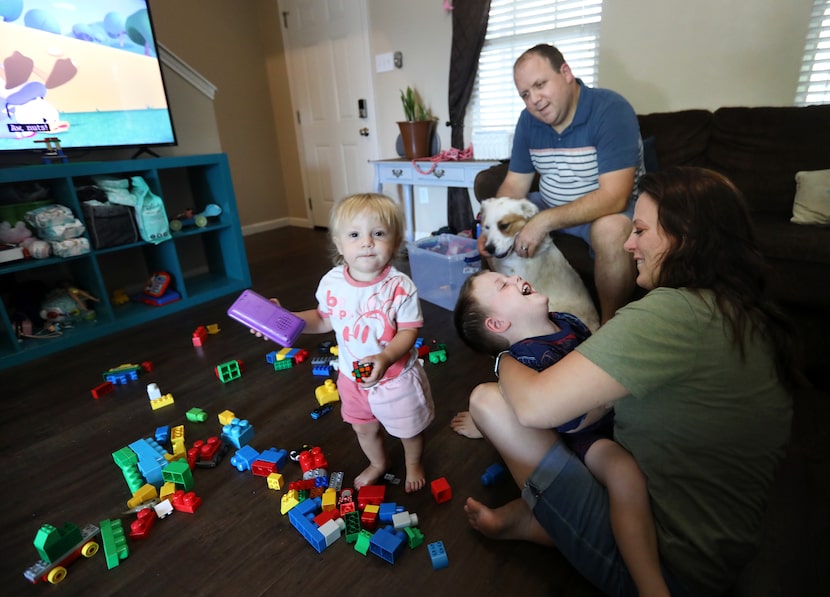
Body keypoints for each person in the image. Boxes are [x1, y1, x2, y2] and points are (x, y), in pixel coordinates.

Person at [463, 167, 797, 596]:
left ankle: (545, 523)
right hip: (717, 554)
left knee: (489, 401)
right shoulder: (741, 311)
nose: (627, 244)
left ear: (687, 236)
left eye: (639, 230)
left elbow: (533, 407)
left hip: (668, 566)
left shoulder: (671, 314)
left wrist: (503, 358)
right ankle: (534, 520)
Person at [452, 270, 669, 597]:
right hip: (586, 438)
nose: (515, 277)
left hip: (612, 421)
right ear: (497, 325)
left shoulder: (565, 321)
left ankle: (525, 521)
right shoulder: (525, 358)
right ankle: (650, 585)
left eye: (508, 276)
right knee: (624, 474)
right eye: (503, 285)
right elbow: (566, 420)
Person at [265, 193, 434, 493]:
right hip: (351, 376)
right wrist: (286, 317)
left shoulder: (400, 287)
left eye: (378, 234)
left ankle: (413, 463)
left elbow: (408, 333)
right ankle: (379, 463)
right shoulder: (332, 283)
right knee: (363, 427)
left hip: (394, 378)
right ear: (340, 246)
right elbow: (323, 319)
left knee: (408, 429)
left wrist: (384, 359)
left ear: (395, 243)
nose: (367, 242)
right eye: (355, 235)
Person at [478, 43, 644, 324]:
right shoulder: (528, 122)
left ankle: (608, 329)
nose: (535, 100)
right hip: (551, 201)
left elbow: (615, 197)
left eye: (540, 84)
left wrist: (541, 222)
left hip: (604, 209)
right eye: (525, 94)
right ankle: (521, 319)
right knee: (493, 222)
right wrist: (494, 226)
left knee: (613, 230)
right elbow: (514, 185)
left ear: (566, 73)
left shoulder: (611, 109)